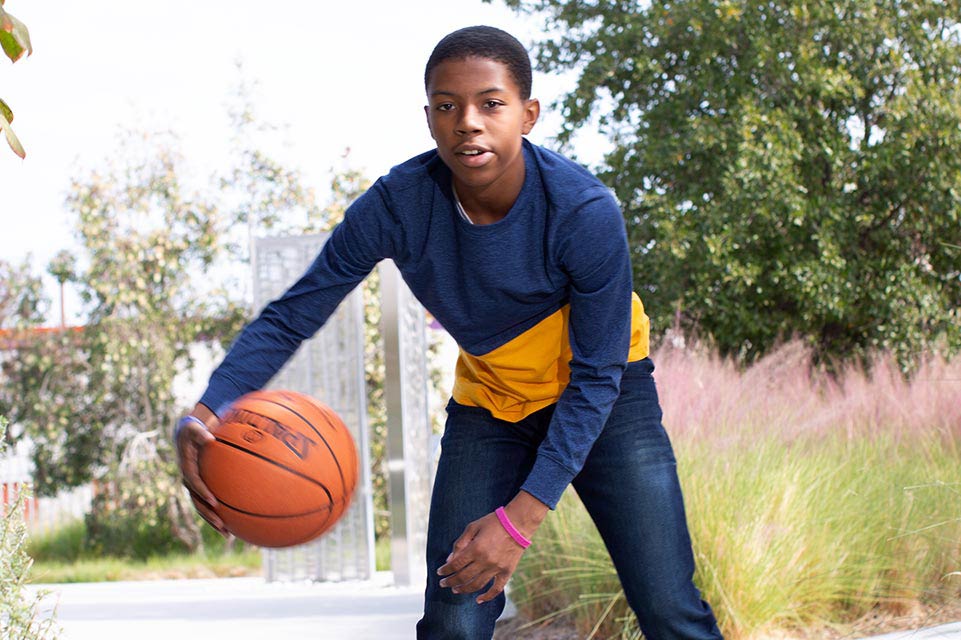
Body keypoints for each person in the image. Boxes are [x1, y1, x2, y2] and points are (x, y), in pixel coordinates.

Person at [175, 25, 723, 640]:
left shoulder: (583, 212)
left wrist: (518, 524)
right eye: (446, 106)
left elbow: (596, 377)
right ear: (429, 117)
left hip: (607, 397)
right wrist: (206, 408)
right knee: (454, 621)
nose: (468, 122)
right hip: (491, 405)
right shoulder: (396, 206)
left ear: (528, 114)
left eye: (491, 104)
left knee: (669, 608)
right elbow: (294, 313)